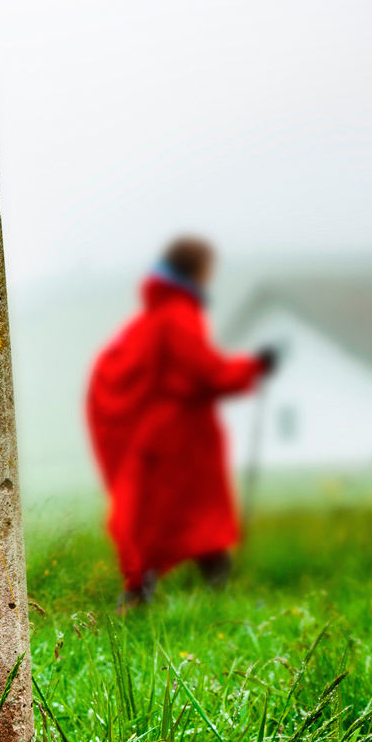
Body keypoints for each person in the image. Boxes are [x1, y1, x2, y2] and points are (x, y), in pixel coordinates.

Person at [86, 236, 280, 610]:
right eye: (208, 268)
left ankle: (148, 593)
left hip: (161, 435)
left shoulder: (152, 318)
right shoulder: (178, 315)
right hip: (181, 440)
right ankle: (200, 597)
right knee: (197, 517)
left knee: (157, 516)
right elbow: (207, 373)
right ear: (196, 270)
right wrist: (255, 366)